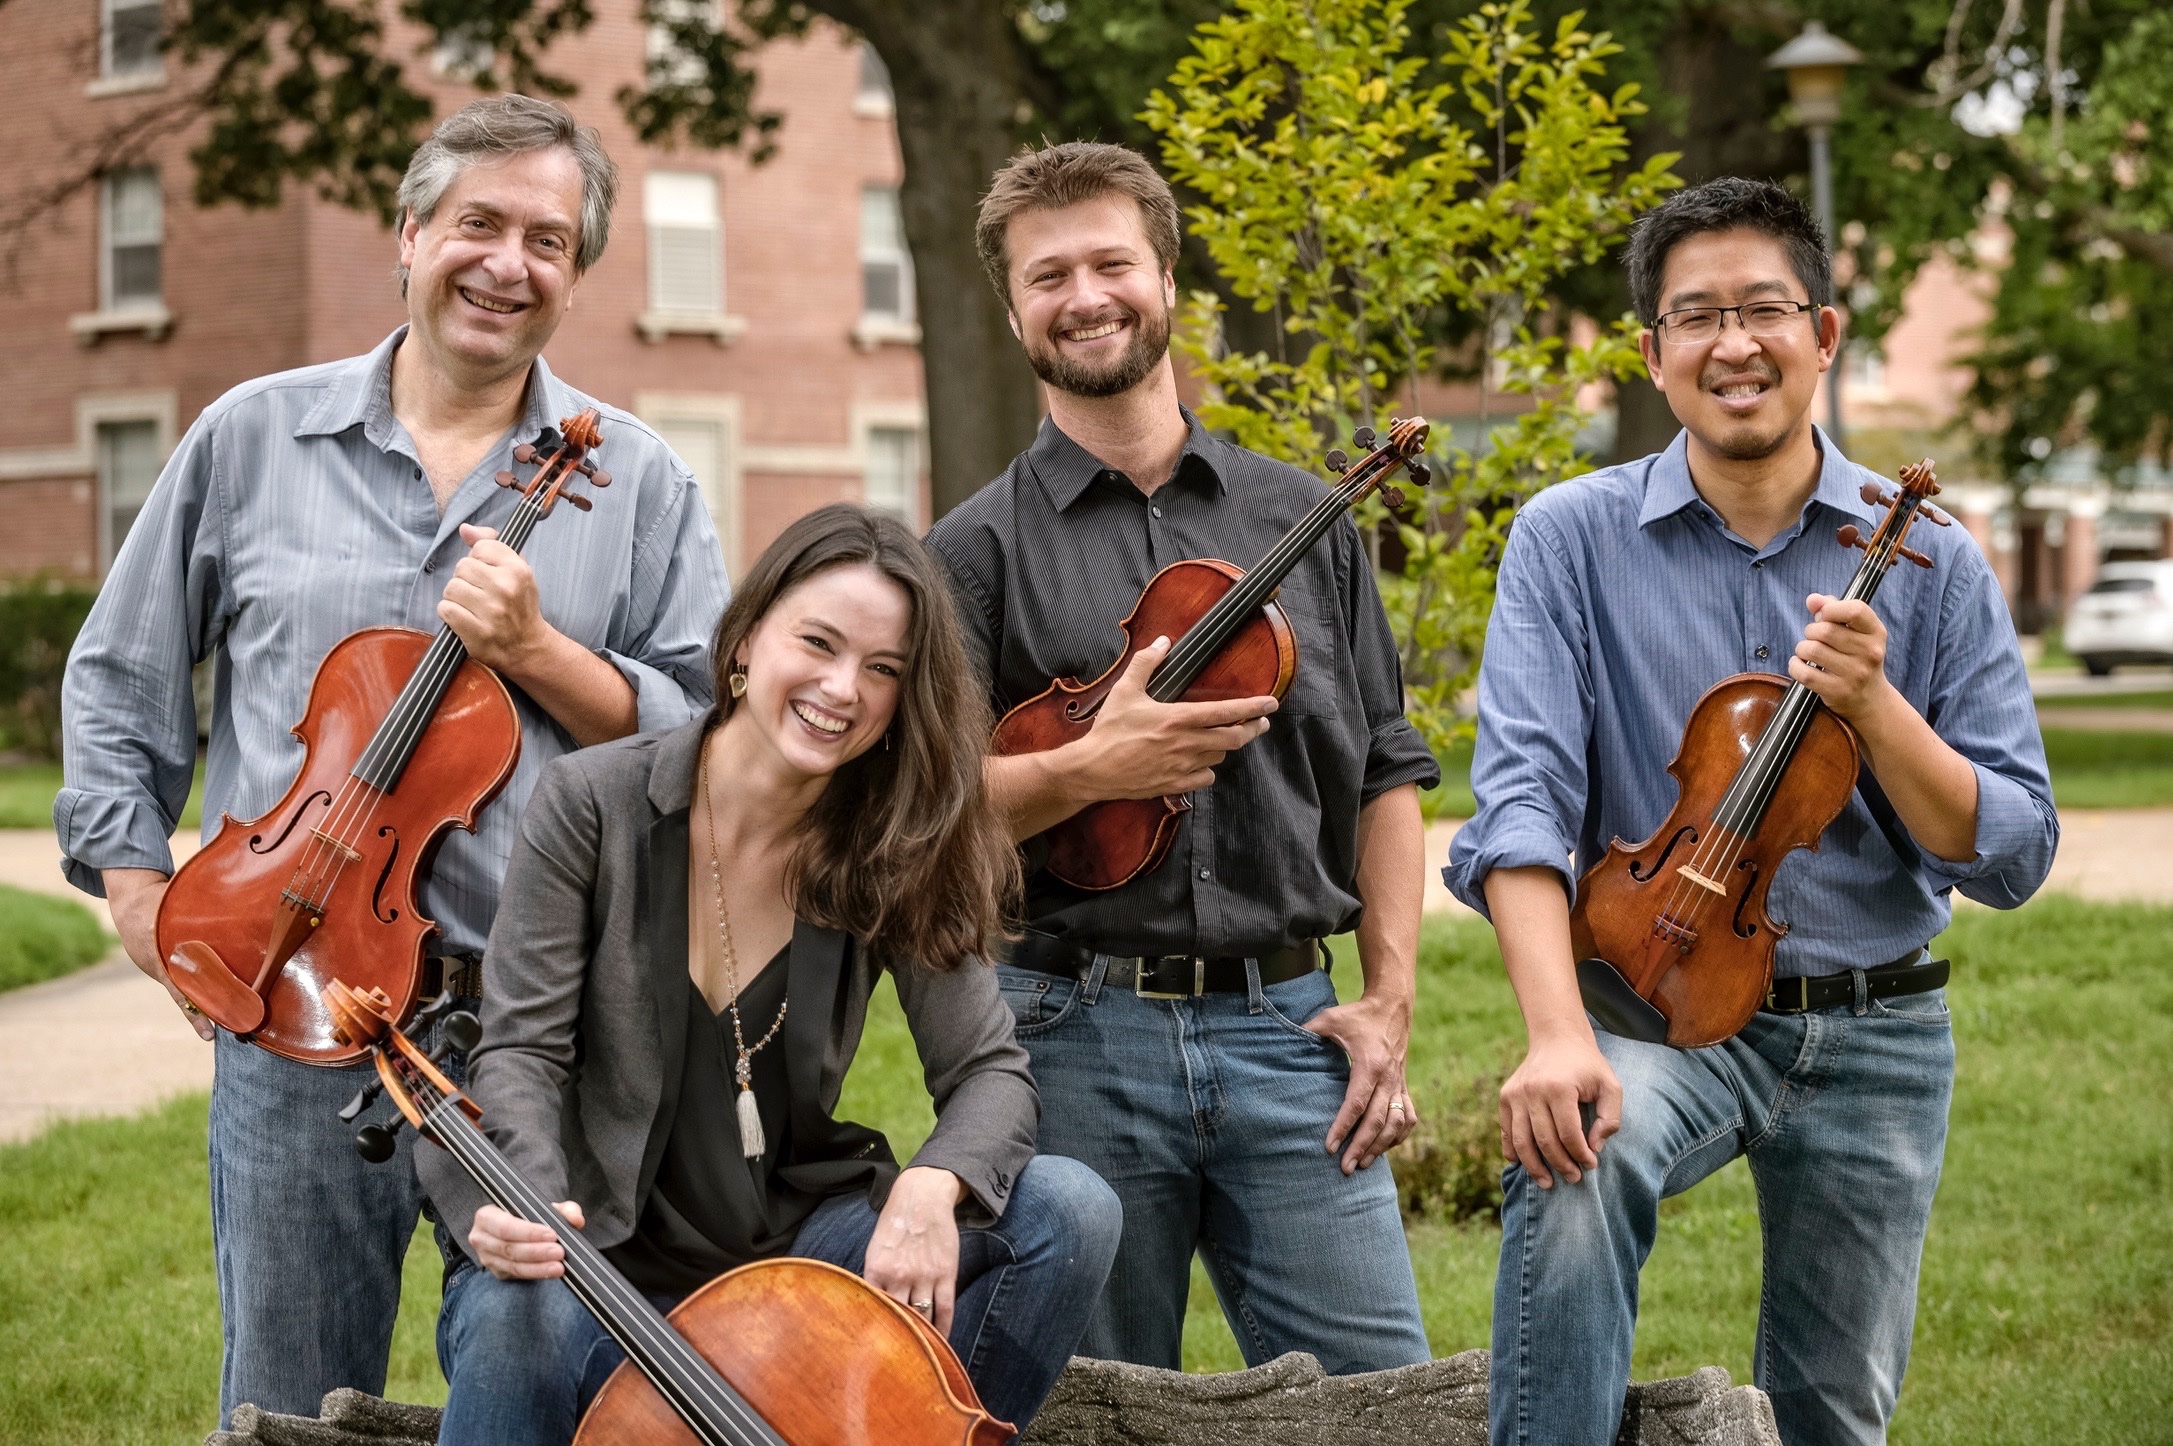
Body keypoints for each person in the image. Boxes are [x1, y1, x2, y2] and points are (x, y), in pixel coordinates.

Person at [57, 95, 730, 1423]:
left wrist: (541, 653)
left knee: (539, 1377)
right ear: (412, 232)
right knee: (291, 1400)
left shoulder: (638, 479)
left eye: (547, 240)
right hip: (296, 995)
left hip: (543, 1028)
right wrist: (136, 890)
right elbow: (122, 671)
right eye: (479, 223)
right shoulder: (250, 436)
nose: (507, 263)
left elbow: (707, 739)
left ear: (577, 273)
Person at [1445, 177, 2058, 1446]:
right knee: (1574, 1156)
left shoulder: (1932, 556)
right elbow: (1518, 803)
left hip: (1876, 1024)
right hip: (1658, 1006)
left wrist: (1876, 708)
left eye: (1764, 308)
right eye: (1697, 316)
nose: (1733, 343)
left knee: (1833, 1408)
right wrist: (1555, 1036)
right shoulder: (1568, 539)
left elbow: (2009, 852)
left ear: (1822, 335)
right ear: (1651, 353)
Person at [418, 504, 1121, 1442]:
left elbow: (990, 1071)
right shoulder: (594, 801)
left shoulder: (894, 839)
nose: (842, 688)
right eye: (818, 643)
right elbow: (521, 1052)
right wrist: (535, 1210)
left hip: (795, 1250)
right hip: (605, 1256)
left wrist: (935, 1182)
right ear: (747, 638)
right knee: (520, 1307)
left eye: (883, 670)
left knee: (1067, 1209)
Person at [925, 141, 1438, 1375]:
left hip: (1292, 1027)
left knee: (1385, 1401)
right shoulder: (969, 553)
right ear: (1013, 312)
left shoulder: (1303, 517)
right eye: (1048, 276)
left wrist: (1387, 999)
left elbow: (1383, 768)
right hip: (1067, 1033)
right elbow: (924, 814)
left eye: (1112, 264)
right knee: (1099, 1410)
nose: (1085, 297)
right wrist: (1086, 769)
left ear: (1165, 279)